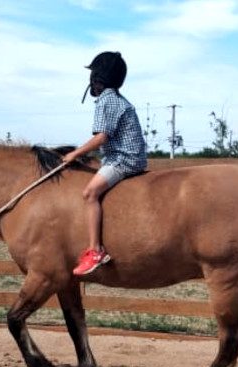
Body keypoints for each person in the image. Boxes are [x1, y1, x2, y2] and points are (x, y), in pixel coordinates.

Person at [62, 51, 147, 276]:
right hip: (127, 157)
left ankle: (95, 251)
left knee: (90, 193)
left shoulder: (106, 100)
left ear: (98, 77)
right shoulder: (118, 99)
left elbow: (102, 137)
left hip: (123, 160)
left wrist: (74, 154)